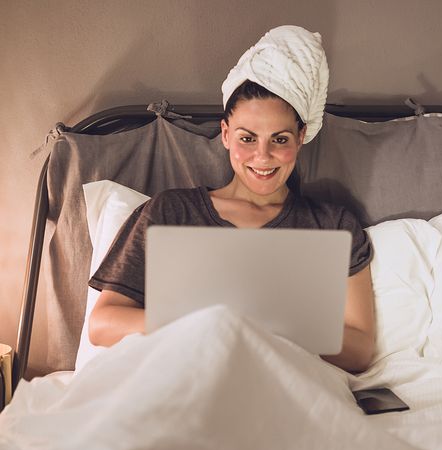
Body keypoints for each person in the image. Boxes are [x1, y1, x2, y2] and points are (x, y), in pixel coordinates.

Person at [87, 26, 375, 373]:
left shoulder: (333, 225)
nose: (262, 156)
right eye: (247, 138)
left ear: (301, 137)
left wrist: (270, 327)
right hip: (182, 379)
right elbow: (102, 324)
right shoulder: (170, 212)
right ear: (225, 134)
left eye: (280, 139)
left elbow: (360, 350)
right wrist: (211, 323)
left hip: (283, 388)